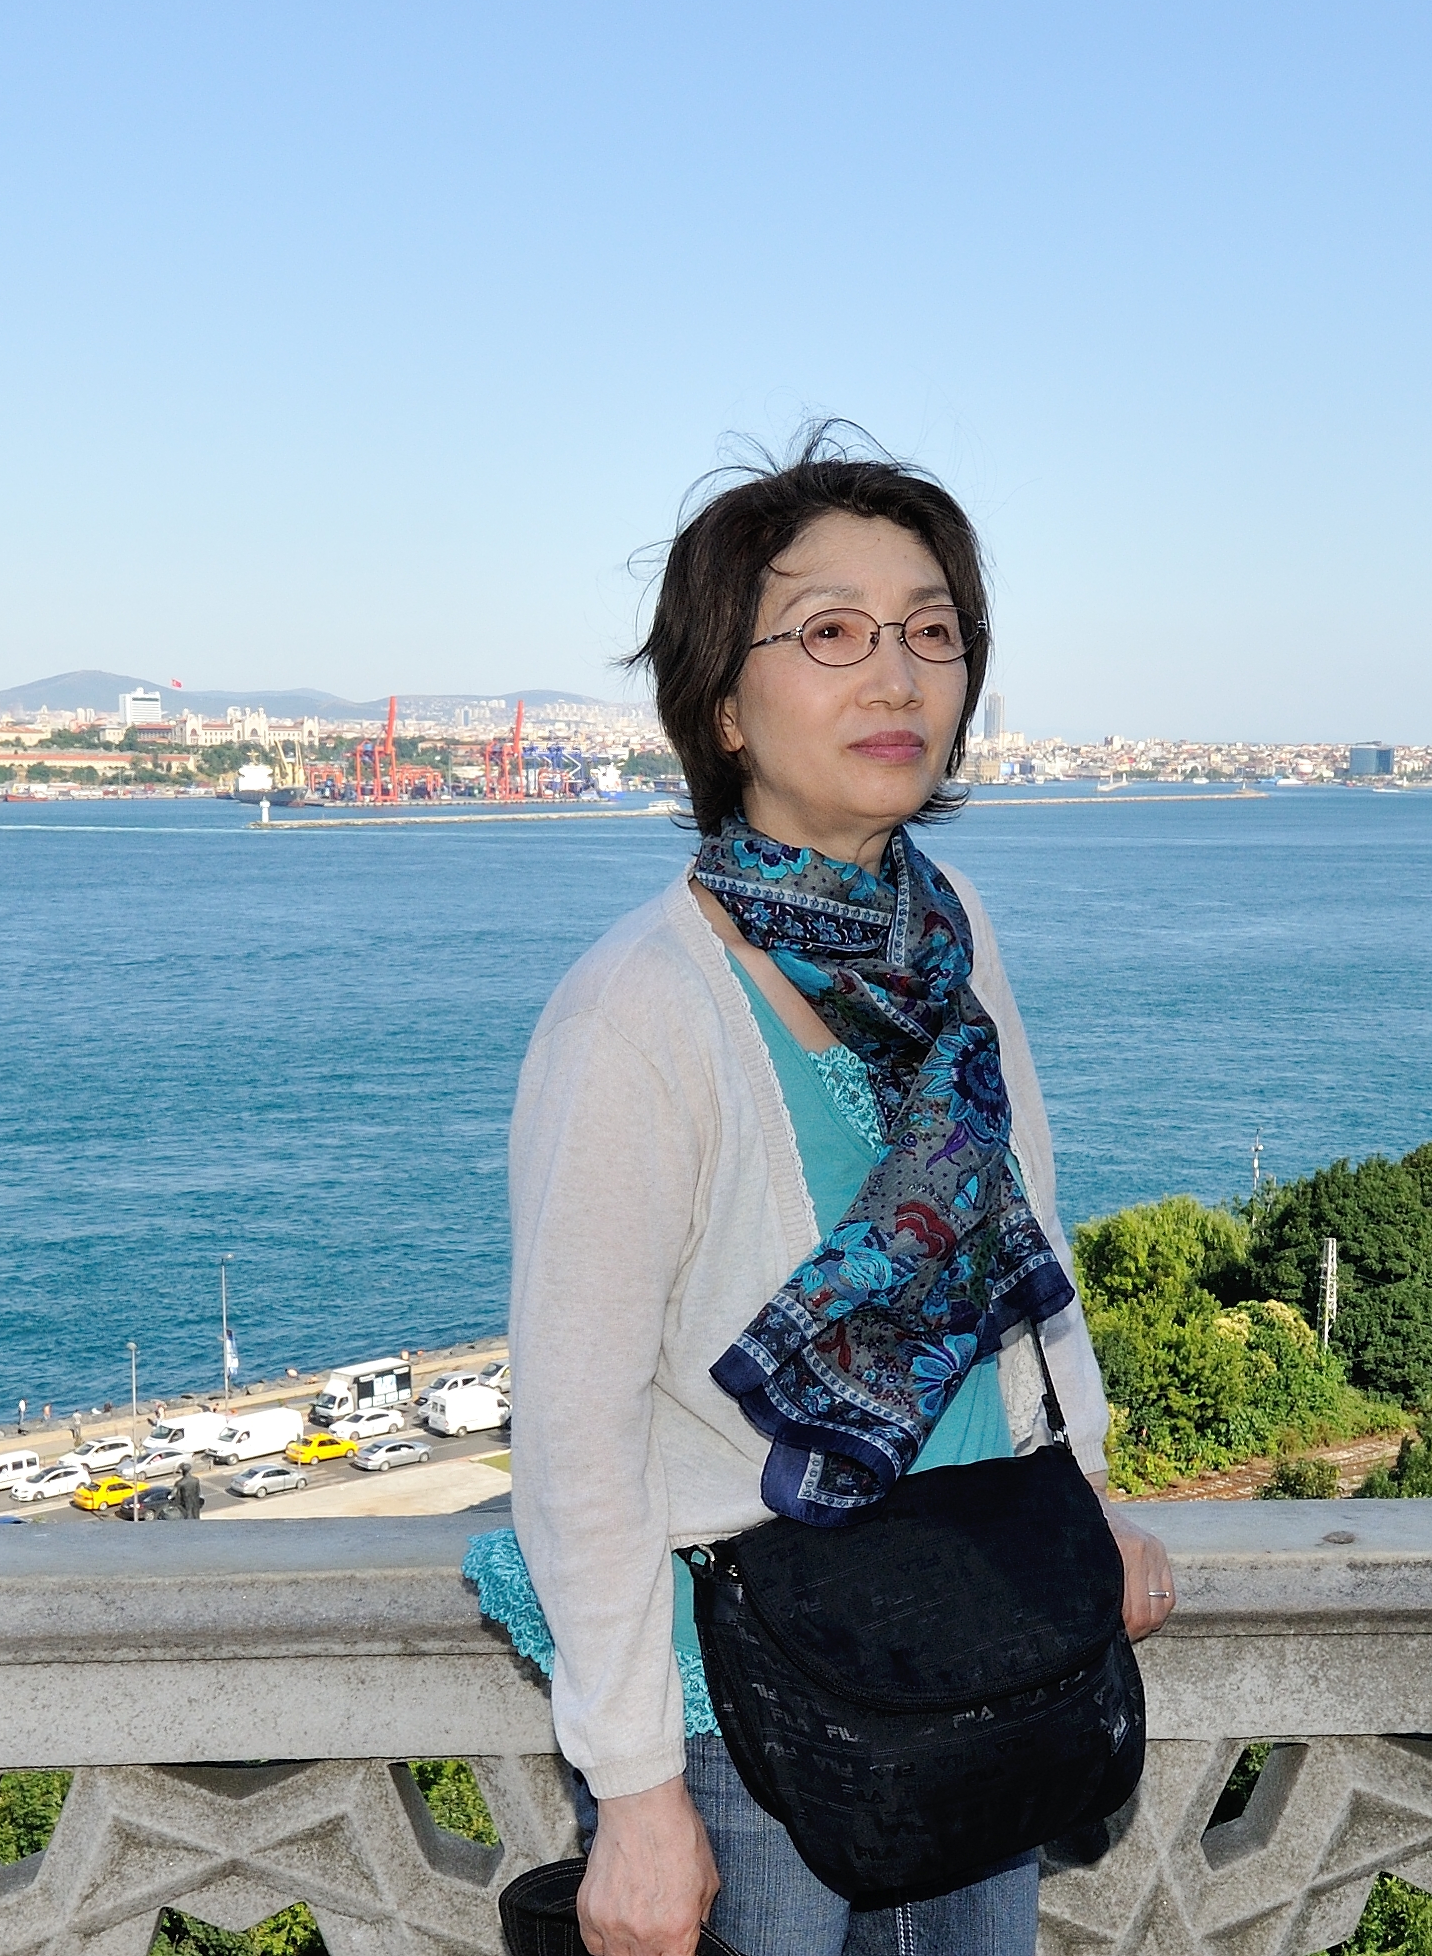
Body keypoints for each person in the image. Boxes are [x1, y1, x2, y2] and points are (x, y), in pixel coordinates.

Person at [495, 433, 1173, 1956]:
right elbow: (577, 1429)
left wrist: (1086, 1501)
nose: (897, 676)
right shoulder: (639, 1011)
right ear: (722, 707)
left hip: (984, 1616)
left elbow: (1023, 1241)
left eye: (932, 631)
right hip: (751, 1691)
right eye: (831, 633)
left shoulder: (947, 926)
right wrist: (637, 1795)